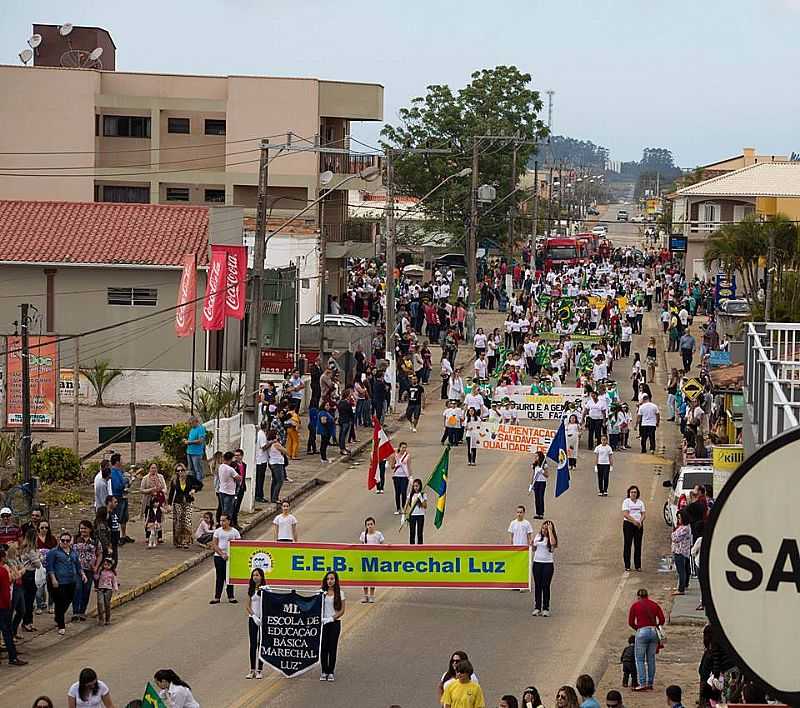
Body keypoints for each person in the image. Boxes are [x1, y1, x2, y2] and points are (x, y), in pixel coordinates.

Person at [46, 531, 84, 635]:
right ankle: (61, 624)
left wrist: (82, 574)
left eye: (67, 540)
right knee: (59, 602)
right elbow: (50, 567)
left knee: (68, 600)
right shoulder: (54, 552)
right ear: (60, 540)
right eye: (63, 540)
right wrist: (53, 579)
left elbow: (77, 564)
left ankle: (58, 617)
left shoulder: (73, 552)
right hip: (59, 581)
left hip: (71, 580)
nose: (65, 542)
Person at [628, 588, 665, 691]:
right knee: (651, 659)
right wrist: (657, 626)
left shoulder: (635, 606)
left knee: (639, 659)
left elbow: (631, 622)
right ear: (647, 596)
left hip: (641, 632)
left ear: (638, 596)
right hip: (653, 631)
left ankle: (642, 683)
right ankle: (650, 683)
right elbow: (662, 619)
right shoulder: (654, 605)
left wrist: (638, 629)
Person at [0, 547, 27, 665]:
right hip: (3, 605)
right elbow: (6, 591)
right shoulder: (3, 571)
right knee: (7, 631)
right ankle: (13, 656)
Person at [72, 521, 100, 623]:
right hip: (77, 569)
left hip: (89, 569)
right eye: (81, 528)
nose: (83, 530)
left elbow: (99, 553)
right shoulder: (75, 539)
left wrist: (96, 566)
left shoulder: (95, 541)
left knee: (86, 589)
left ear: (90, 529)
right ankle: (75, 611)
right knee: (77, 588)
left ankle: (82, 611)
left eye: (85, 528)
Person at [168, 464, 202, 549]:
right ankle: (178, 541)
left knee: (187, 521)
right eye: (178, 471)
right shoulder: (175, 480)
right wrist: (169, 504)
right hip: (178, 502)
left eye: (182, 470)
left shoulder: (190, 478)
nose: (180, 472)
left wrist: (194, 489)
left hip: (188, 501)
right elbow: (171, 493)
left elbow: (200, 484)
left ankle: (186, 541)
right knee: (178, 521)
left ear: (185, 470)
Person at [320, 570, 345, 681]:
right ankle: (324, 671)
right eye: (328, 579)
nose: (330, 581)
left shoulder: (340, 593)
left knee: (332, 648)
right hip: (323, 623)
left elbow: (342, 610)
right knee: (323, 647)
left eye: (332, 579)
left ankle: (331, 671)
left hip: (334, 623)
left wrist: (332, 618)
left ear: (335, 580)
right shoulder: (322, 593)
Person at [210, 513, 240, 604]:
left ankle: (231, 596)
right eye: (220, 520)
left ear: (229, 521)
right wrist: (222, 554)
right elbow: (214, 544)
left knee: (229, 577)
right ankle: (217, 597)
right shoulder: (218, 531)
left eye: (224, 520)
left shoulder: (234, 532)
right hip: (219, 557)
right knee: (220, 577)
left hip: (230, 557)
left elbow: (238, 545)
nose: (221, 522)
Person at [531, 520, 557, 617]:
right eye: (543, 528)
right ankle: (537, 607)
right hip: (537, 563)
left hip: (547, 564)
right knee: (538, 585)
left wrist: (550, 531)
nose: (544, 530)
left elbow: (553, 544)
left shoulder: (551, 538)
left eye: (546, 529)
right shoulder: (538, 536)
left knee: (545, 585)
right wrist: (532, 544)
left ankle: (546, 608)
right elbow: (534, 548)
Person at [245, 567, 267, 679]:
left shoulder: (265, 589)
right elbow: (247, 606)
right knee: (253, 644)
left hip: (262, 620)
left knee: (261, 644)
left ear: (262, 577)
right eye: (253, 575)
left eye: (257, 575)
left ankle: (260, 669)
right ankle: (252, 669)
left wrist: (262, 618)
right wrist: (253, 616)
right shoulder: (251, 589)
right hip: (253, 619)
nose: (255, 577)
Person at [109, 453, 134, 545]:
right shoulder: (114, 472)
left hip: (123, 496)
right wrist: (126, 481)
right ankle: (116, 537)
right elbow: (117, 486)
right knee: (117, 517)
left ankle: (124, 535)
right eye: (121, 460)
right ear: (117, 462)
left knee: (124, 517)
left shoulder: (120, 471)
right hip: (118, 497)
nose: (123, 462)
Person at [359, 517, 385, 602]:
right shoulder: (363, 535)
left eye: (371, 524)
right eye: (368, 525)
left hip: (375, 558)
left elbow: (382, 545)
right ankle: (365, 595)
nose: (370, 526)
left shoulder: (378, 534)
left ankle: (372, 595)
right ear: (366, 526)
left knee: (373, 577)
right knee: (365, 577)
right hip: (366, 558)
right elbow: (361, 545)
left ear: (374, 525)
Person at [622, 485, 646, 572]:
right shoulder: (626, 502)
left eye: (635, 492)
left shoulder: (640, 503)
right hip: (629, 524)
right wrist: (634, 521)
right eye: (632, 492)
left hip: (639, 525)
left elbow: (643, 513)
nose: (633, 494)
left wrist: (640, 521)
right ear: (629, 493)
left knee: (638, 545)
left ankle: (638, 565)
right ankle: (627, 565)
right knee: (628, 544)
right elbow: (626, 514)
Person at [671, 510, 692, 595]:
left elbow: (674, 538)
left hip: (680, 551)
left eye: (679, 518)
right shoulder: (685, 527)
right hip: (683, 551)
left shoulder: (684, 528)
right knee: (685, 569)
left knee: (681, 571)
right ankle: (684, 585)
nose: (678, 520)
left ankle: (681, 589)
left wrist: (673, 534)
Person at [217, 451, 242, 518]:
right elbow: (239, 478)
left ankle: (222, 523)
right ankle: (227, 524)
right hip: (229, 492)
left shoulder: (221, 466)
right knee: (228, 512)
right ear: (230, 459)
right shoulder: (230, 469)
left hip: (222, 491)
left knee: (223, 510)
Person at [94, 557, 118, 626]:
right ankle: (101, 619)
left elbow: (114, 581)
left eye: (108, 565)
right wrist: (97, 572)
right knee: (100, 603)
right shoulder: (101, 571)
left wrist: (115, 588)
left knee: (107, 605)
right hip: (100, 589)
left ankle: (107, 619)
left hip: (108, 590)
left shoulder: (112, 574)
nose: (106, 566)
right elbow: (96, 577)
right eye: (105, 565)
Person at [390, 442, 411, 515]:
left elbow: (408, 466)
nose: (404, 449)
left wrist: (410, 476)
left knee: (403, 492)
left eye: (405, 447)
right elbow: (392, 466)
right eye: (402, 447)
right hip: (396, 476)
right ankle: (398, 508)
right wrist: (397, 464)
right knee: (397, 493)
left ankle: (404, 508)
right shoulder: (395, 456)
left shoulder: (407, 456)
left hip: (404, 476)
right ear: (399, 447)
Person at [185, 416, 207, 483]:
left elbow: (201, 441)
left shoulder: (201, 429)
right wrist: (186, 441)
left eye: (191, 423)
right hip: (189, 452)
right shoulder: (192, 429)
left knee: (197, 469)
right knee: (191, 469)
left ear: (195, 422)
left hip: (196, 453)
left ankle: (199, 483)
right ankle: (193, 482)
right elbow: (191, 439)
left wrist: (189, 442)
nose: (190, 425)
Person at [406, 478, 427, 544]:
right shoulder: (411, 494)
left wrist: (421, 498)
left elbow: (425, 506)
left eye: (417, 486)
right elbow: (406, 505)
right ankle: (411, 547)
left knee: (419, 533)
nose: (415, 487)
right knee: (412, 533)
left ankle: (420, 547)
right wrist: (404, 515)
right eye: (414, 486)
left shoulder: (423, 494)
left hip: (420, 515)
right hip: (412, 515)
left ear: (420, 486)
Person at [529, 451, 549, 519]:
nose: (535, 458)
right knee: (536, 498)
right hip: (536, 482)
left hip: (542, 482)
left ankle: (541, 513)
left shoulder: (544, 465)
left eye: (537, 456)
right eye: (535, 456)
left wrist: (542, 471)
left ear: (540, 457)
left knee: (541, 497)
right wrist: (531, 484)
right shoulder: (534, 465)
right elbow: (533, 474)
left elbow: (547, 475)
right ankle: (537, 513)